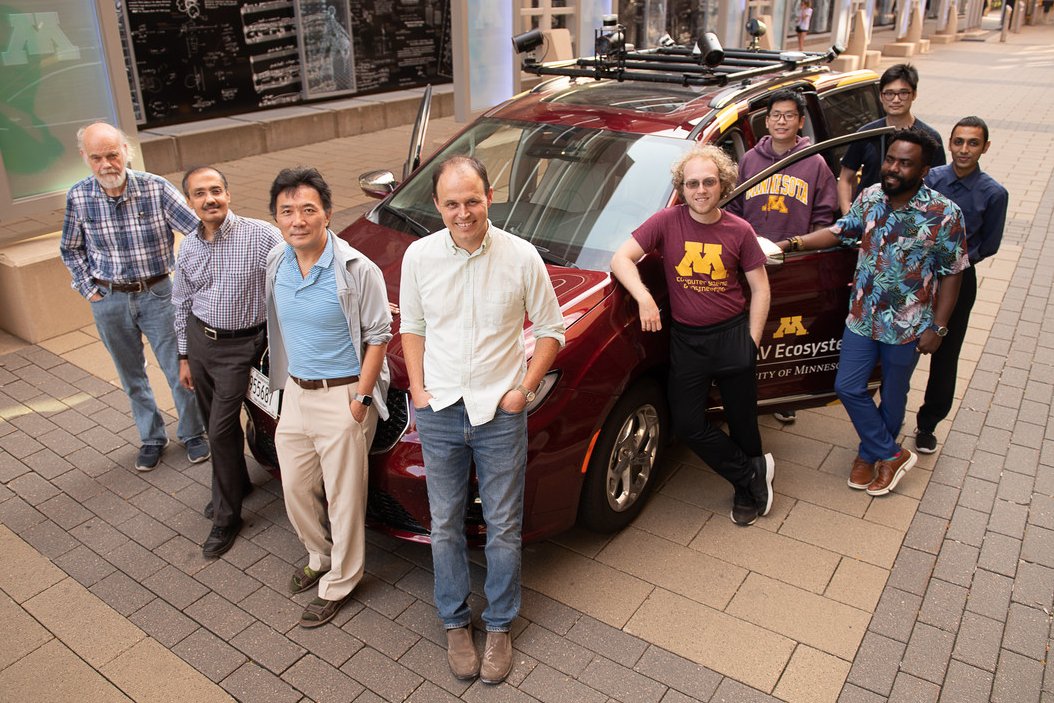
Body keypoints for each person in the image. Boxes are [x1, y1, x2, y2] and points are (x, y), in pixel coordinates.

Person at [399, 156, 565, 685]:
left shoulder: (521, 256)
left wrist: (524, 389)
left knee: (503, 525)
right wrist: (420, 391)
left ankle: (497, 625)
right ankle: (453, 621)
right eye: (452, 203)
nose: (463, 212)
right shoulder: (419, 256)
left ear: (489, 196)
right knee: (444, 523)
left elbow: (552, 330)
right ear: (438, 205)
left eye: (472, 200)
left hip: (499, 413)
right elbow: (415, 328)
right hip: (441, 411)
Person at [778, 130, 968, 496]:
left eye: (905, 163)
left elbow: (953, 272)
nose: (893, 168)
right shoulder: (870, 197)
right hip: (862, 318)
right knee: (847, 387)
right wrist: (791, 244)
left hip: (907, 326)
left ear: (924, 169)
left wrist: (939, 327)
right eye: (890, 160)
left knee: (894, 395)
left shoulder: (944, 214)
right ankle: (890, 453)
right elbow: (840, 231)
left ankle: (869, 455)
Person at [611, 145, 775, 528]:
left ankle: (745, 489)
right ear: (682, 189)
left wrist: (750, 342)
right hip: (687, 340)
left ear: (722, 184)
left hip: (732, 334)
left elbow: (761, 290)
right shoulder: (666, 222)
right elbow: (621, 258)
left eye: (708, 182)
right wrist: (645, 298)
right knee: (686, 424)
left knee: (743, 420)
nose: (700, 190)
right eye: (692, 184)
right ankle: (748, 474)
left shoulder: (740, 230)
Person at [264, 167, 392, 627]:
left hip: (344, 395)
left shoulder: (359, 270)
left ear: (327, 214)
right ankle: (319, 556)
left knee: (344, 498)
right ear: (277, 219)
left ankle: (342, 579)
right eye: (287, 211)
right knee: (295, 485)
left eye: (307, 210)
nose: (297, 219)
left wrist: (360, 399)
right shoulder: (276, 263)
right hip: (297, 393)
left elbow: (379, 336)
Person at [60, 122, 208, 472]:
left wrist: (194, 281)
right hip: (108, 299)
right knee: (131, 376)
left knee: (179, 370)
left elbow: (200, 233)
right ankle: (151, 438)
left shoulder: (155, 188)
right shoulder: (78, 196)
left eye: (112, 154)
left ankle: (193, 433)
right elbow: (70, 249)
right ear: (85, 158)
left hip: (158, 294)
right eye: (96, 157)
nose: (106, 164)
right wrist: (88, 289)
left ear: (126, 151)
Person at [172, 166, 281, 558]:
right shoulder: (188, 245)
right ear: (190, 202)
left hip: (242, 346)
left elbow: (300, 267)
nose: (209, 199)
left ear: (228, 194)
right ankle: (237, 483)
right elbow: (181, 301)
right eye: (200, 194)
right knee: (212, 423)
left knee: (218, 431)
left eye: (215, 190)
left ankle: (226, 516)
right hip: (201, 343)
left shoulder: (260, 235)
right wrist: (184, 355)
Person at [727, 88, 837, 423]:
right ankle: (743, 390)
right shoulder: (750, 160)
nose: (781, 121)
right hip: (749, 263)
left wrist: (799, 247)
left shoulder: (815, 163)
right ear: (767, 120)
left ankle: (780, 395)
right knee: (748, 328)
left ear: (801, 121)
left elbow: (825, 219)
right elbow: (733, 209)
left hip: (790, 265)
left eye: (789, 115)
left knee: (785, 332)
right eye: (776, 115)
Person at [914, 117, 1008, 454]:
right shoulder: (931, 179)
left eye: (972, 143)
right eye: (958, 141)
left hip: (958, 280)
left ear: (985, 147)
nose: (964, 149)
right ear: (949, 144)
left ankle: (928, 423)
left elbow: (990, 242)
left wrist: (954, 264)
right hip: (916, 275)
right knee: (904, 343)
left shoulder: (993, 193)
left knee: (945, 352)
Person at [837, 64, 946, 214]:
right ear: (881, 96)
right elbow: (845, 178)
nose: (896, 100)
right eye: (889, 93)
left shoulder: (930, 137)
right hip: (868, 218)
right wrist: (848, 214)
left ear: (914, 94)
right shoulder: (866, 133)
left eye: (903, 93)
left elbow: (939, 184)